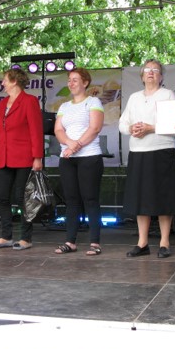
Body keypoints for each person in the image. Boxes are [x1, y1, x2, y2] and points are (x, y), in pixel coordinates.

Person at [119, 59, 175, 259]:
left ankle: (164, 242)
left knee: (163, 197)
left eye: (155, 70)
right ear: (142, 75)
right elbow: (122, 123)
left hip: (161, 150)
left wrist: (151, 128)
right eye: (147, 69)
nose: (151, 72)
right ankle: (142, 242)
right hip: (138, 151)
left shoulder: (167, 94)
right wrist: (131, 128)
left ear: (161, 76)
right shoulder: (134, 97)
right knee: (140, 198)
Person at [0, 69, 44, 250]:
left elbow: (36, 131)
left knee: (22, 198)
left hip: (24, 157)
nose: (2, 83)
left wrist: (37, 157)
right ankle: (6, 236)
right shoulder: (3, 103)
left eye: (5, 80)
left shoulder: (29, 101)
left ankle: (26, 238)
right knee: (2, 196)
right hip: (5, 156)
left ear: (14, 81)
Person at [53, 68, 104, 256]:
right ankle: (70, 241)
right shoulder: (64, 106)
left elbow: (95, 127)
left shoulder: (93, 102)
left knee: (90, 199)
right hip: (67, 158)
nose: (71, 83)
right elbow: (58, 130)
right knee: (71, 200)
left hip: (89, 157)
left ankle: (95, 242)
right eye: (69, 80)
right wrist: (69, 143)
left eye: (75, 80)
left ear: (85, 83)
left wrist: (76, 145)